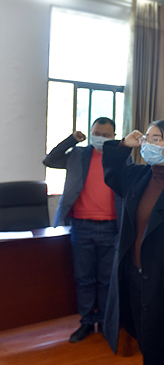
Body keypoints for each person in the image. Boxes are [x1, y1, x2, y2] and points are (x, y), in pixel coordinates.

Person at [102, 120, 164, 365]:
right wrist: (124, 145)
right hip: (136, 278)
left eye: (156, 139)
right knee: (146, 342)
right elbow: (112, 174)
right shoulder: (139, 176)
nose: (148, 144)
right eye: (147, 138)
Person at [42, 117, 119, 343]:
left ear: (114, 137)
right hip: (81, 226)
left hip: (112, 227)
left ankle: (104, 321)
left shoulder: (119, 157)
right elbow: (50, 160)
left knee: (106, 280)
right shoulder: (77, 154)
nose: (100, 138)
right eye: (97, 133)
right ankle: (86, 322)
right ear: (90, 132)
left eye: (106, 135)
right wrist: (71, 140)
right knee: (84, 278)